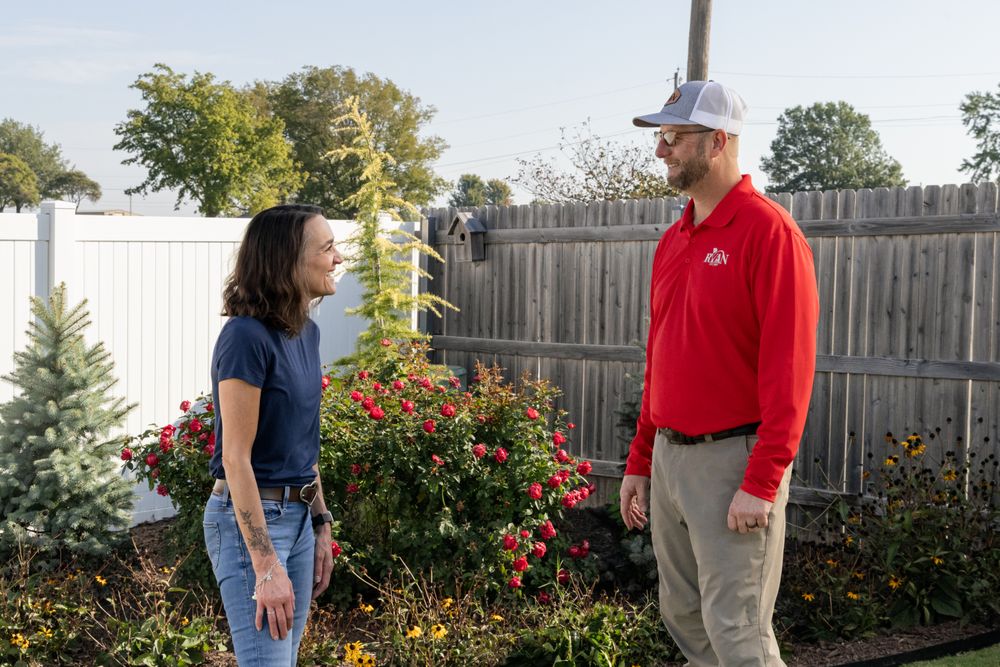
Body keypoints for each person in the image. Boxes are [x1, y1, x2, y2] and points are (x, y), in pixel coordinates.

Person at [619, 81, 819, 666]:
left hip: (735, 461)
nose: (661, 149)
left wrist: (762, 481)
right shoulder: (674, 239)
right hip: (670, 460)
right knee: (685, 617)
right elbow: (661, 358)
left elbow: (790, 370)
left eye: (675, 137)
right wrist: (641, 459)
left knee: (738, 633)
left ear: (719, 141)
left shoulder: (770, 233)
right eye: (662, 135)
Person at [202, 204, 343, 666]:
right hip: (251, 524)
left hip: (298, 519)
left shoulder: (307, 333)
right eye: (327, 248)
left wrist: (320, 523)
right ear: (289, 261)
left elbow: (303, 446)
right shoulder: (245, 337)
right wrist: (264, 564)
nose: (338, 258)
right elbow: (235, 458)